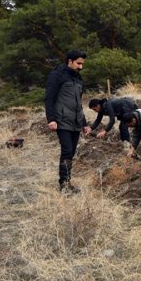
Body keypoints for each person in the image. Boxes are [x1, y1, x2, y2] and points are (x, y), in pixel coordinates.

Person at [44, 50, 91, 193]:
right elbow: (49, 98)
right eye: (78, 63)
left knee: (71, 153)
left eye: (82, 64)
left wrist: (84, 123)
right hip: (62, 120)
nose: (81, 67)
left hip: (76, 122)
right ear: (70, 61)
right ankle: (63, 185)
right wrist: (51, 119)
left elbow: (78, 104)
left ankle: (67, 182)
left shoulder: (77, 78)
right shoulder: (57, 75)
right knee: (67, 151)